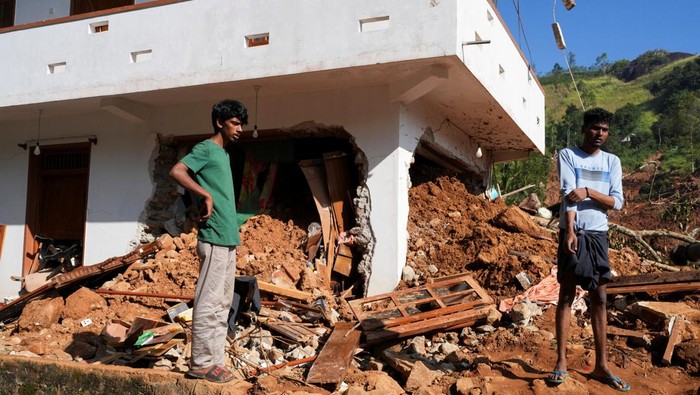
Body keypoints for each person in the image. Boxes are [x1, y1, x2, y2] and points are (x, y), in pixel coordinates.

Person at [548, 107, 630, 392]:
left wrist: (589, 192)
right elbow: (569, 196)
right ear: (584, 128)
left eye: (605, 130)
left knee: (601, 297)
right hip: (575, 231)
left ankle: (602, 365)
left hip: (599, 234)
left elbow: (617, 202)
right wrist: (569, 231)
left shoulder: (613, 161)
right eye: (595, 128)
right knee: (567, 293)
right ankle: (560, 361)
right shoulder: (568, 155)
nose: (600, 134)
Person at [169, 99, 248, 384]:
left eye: (241, 124)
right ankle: (201, 363)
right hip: (213, 236)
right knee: (208, 300)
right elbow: (177, 171)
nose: (240, 129)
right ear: (219, 122)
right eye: (235, 123)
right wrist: (205, 195)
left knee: (223, 302)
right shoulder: (206, 148)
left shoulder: (223, 155)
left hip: (227, 238)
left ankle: (215, 361)